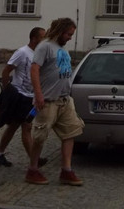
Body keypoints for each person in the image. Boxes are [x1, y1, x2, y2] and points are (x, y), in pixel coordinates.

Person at [28, 17, 85, 187]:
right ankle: (32, 169)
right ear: (60, 31)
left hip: (65, 100)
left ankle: (66, 170)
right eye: (68, 34)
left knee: (71, 132)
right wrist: (38, 94)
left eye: (72, 34)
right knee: (40, 136)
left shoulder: (63, 49)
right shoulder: (45, 46)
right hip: (48, 100)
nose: (70, 37)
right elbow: (34, 69)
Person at [0, 26, 46, 168]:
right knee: (27, 127)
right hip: (20, 96)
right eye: (42, 37)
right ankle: (34, 160)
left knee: (14, 126)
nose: (45, 40)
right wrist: (7, 90)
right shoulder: (22, 52)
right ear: (34, 38)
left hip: (31, 97)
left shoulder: (40, 54)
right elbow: (6, 70)